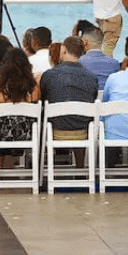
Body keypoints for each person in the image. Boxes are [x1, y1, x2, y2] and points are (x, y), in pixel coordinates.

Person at [40, 36, 99, 167]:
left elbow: (43, 100)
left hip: (55, 130)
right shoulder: (92, 77)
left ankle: (42, 169)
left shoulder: (49, 75)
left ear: (64, 50)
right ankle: (80, 167)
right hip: (83, 133)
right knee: (80, 118)